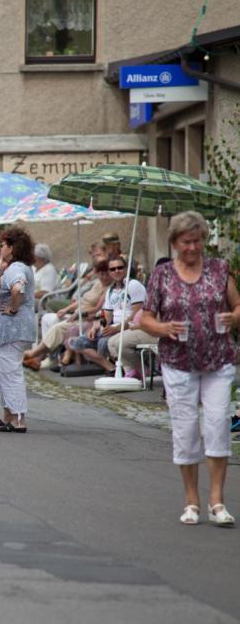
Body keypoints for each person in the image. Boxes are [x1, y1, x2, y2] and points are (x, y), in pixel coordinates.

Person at [139, 211, 238, 527]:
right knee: (185, 430)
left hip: (218, 359)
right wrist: (162, 328)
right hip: (178, 362)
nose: (193, 247)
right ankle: (191, 500)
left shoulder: (219, 269)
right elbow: (145, 317)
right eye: (186, 242)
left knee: (217, 423)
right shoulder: (162, 275)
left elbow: (237, 305)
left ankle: (217, 501)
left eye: (197, 241)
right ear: (174, 243)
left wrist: (234, 318)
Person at [0, 227, 35, 433]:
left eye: (3, 245)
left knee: (10, 373)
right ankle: (8, 416)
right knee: (4, 373)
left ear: (12, 248)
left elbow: (18, 288)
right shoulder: (18, 266)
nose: (1, 248)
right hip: (13, 330)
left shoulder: (16, 268)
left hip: (12, 330)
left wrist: (13, 308)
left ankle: (18, 419)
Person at [23, 257, 111, 370]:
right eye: (101, 274)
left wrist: (80, 313)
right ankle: (38, 359)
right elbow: (82, 300)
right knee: (49, 319)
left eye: (106, 274)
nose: (104, 277)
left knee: (58, 328)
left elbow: (97, 308)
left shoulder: (109, 288)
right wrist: (66, 309)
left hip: (87, 318)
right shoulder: (98, 283)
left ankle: (35, 354)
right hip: (77, 314)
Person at [66, 256, 146, 373]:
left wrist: (117, 328)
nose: (116, 271)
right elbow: (107, 316)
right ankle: (112, 367)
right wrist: (98, 326)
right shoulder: (110, 291)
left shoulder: (133, 285)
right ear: (109, 272)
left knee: (103, 343)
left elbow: (137, 315)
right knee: (79, 342)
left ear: (126, 269)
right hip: (114, 327)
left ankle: (129, 369)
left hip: (130, 327)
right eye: (112, 269)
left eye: (120, 268)